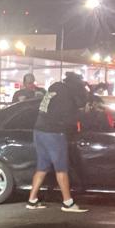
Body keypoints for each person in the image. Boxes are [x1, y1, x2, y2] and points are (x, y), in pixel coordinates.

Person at [26, 72, 89, 212]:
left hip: (39, 130)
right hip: (53, 133)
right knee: (61, 168)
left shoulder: (55, 87)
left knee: (42, 167)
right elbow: (69, 118)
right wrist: (83, 114)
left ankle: (32, 200)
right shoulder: (66, 95)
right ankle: (68, 203)